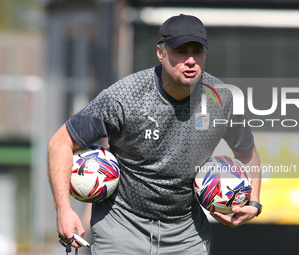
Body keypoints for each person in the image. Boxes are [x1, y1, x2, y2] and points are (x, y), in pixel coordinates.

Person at [48, 14, 262, 255]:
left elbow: (247, 152)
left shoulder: (222, 99)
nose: (190, 60)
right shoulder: (125, 96)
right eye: (180, 51)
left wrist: (253, 202)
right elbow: (60, 142)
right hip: (121, 226)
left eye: (197, 51)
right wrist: (64, 210)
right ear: (161, 53)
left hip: (186, 232)